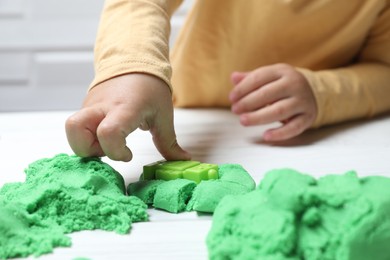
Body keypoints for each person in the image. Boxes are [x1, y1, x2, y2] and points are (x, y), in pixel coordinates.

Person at [66, 0, 390, 162]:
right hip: (184, 114)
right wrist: (130, 66)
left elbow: (384, 70)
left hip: (311, 141)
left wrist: (322, 92)